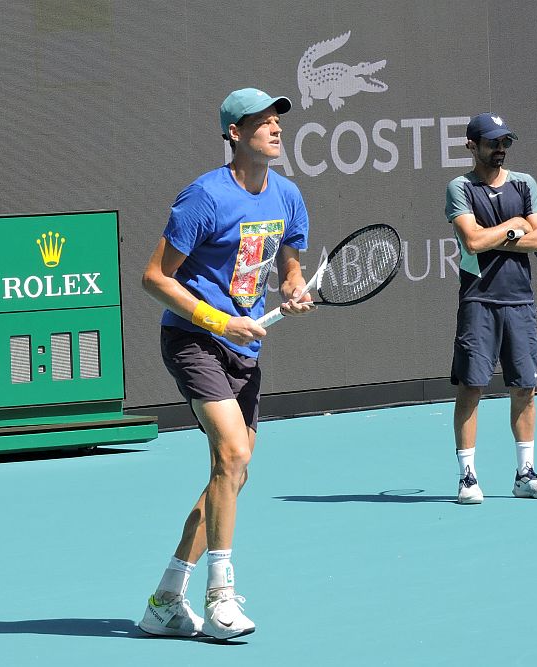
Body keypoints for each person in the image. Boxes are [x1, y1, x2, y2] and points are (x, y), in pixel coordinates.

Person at [138, 87, 314, 639]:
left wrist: (293, 284)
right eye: (261, 121)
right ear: (233, 134)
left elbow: (289, 258)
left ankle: (165, 600)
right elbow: (154, 277)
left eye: (277, 120)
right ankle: (220, 597)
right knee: (233, 454)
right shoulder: (203, 198)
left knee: (231, 475)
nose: (275, 128)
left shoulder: (286, 195)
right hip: (195, 341)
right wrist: (219, 320)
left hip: (247, 349)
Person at [444, 111, 537, 505]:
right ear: (472, 146)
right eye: (492, 143)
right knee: (471, 388)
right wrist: (515, 224)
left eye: (505, 142)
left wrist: (506, 234)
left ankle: (525, 474)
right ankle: (467, 478)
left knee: (525, 388)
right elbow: (473, 242)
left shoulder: (525, 183)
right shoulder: (459, 187)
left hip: (520, 301)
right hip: (478, 300)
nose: (500, 149)